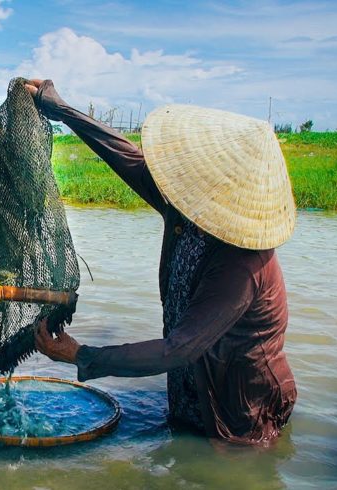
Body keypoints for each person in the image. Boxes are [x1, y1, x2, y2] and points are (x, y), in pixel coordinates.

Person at [29, 79, 297, 445]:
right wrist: (58, 107)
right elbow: (127, 157)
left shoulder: (243, 264)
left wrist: (82, 355)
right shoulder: (189, 209)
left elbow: (179, 348)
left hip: (241, 411)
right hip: (193, 384)